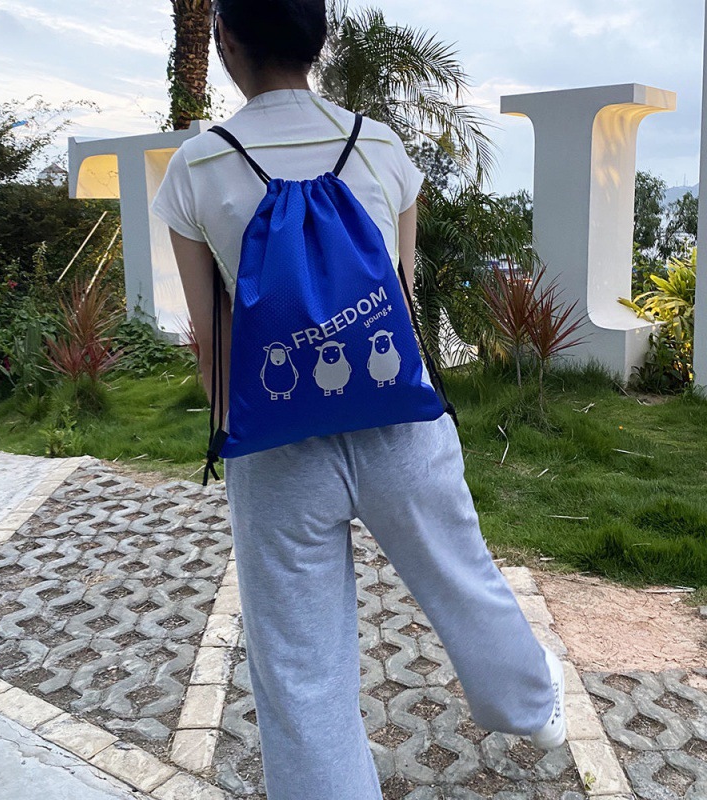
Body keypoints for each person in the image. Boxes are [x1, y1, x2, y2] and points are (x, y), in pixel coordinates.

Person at [150, 1, 566, 797]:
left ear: (225, 40)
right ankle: (531, 707)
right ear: (319, 37)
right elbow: (399, 295)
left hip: (275, 445)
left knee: (300, 667)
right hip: (397, 420)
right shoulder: (377, 144)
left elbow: (213, 336)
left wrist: (237, 430)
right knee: (460, 576)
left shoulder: (196, 167)